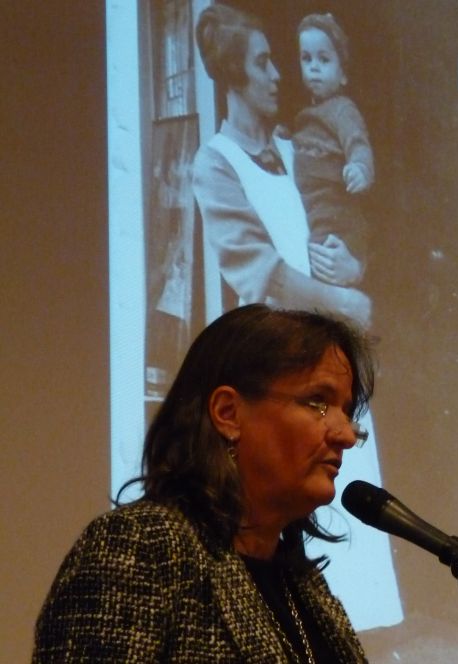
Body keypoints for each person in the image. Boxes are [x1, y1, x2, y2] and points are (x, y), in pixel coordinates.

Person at [34, 305, 372, 662]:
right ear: (228, 413)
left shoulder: (305, 587)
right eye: (317, 402)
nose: (346, 435)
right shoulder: (141, 548)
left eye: (346, 412)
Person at [191, 4, 369, 325]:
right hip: (268, 348)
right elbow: (263, 271)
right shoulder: (216, 164)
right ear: (234, 73)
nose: (277, 74)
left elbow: (347, 210)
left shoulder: (294, 147)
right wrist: (344, 302)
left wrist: (355, 266)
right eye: (262, 63)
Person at [292, 14, 374, 277]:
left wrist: (360, 168)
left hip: (334, 209)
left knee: (323, 261)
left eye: (324, 59)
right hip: (313, 207)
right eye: (307, 58)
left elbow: (358, 143)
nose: (314, 67)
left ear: (343, 76)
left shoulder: (343, 110)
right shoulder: (305, 116)